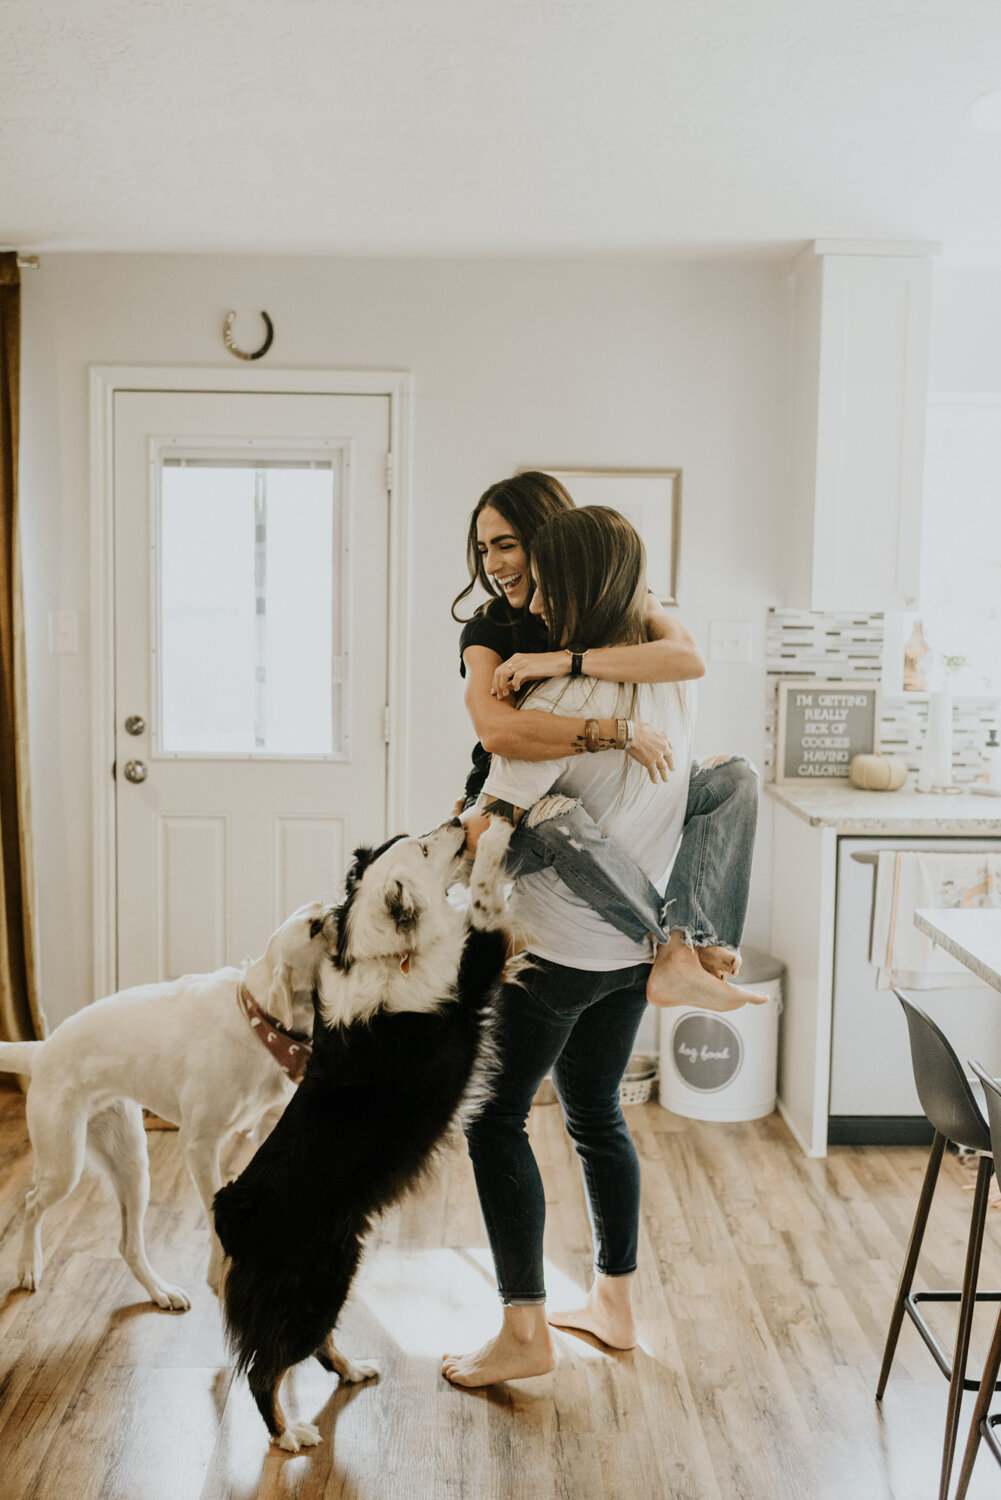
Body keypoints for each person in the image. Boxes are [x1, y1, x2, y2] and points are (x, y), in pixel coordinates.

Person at [441, 506, 704, 1389]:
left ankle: (523, 1331)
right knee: (595, 1111)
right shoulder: (670, 685)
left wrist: (443, 875)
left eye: (542, 574)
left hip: (553, 951)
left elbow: (498, 809)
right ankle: (615, 1307)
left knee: (493, 1117)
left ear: (575, 582)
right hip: (635, 947)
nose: (528, 588)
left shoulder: (561, 697)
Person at [453, 471, 762, 1011]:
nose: (494, 565)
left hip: (596, 878)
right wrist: (618, 734)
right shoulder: (489, 628)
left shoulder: (619, 609)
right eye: (483, 550)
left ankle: (692, 939)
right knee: (553, 814)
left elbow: (689, 659)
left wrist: (564, 660)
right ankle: (674, 947)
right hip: (510, 793)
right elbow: (497, 730)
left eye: (506, 545)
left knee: (735, 777)